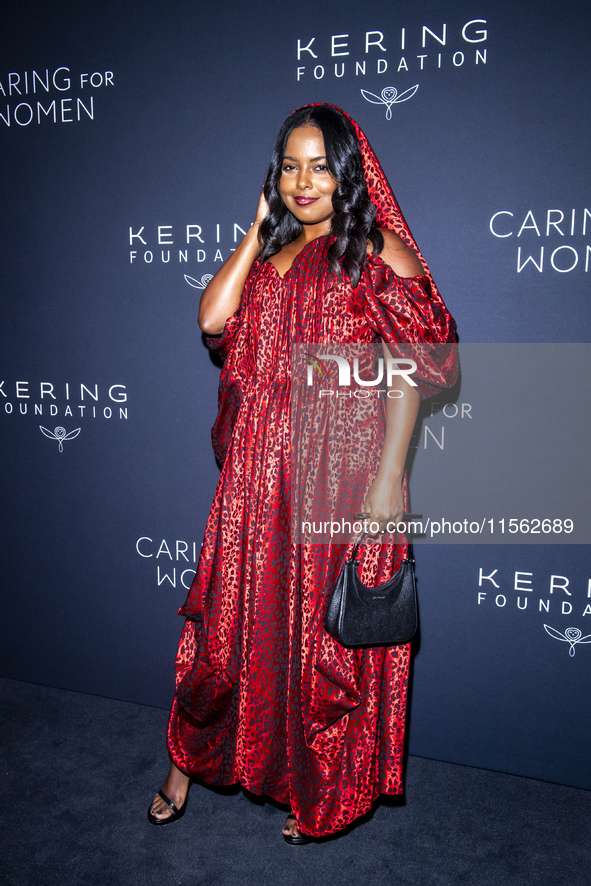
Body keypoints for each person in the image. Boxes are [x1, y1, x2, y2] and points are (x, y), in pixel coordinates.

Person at [148, 104, 457, 842]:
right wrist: (256, 228)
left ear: (346, 171)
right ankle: (183, 765)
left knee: (319, 644)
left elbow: (415, 370)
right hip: (256, 473)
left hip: (341, 471)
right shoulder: (268, 255)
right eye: (289, 165)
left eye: (319, 165)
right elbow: (211, 320)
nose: (302, 180)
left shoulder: (374, 249)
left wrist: (388, 480)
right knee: (230, 628)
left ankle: (313, 790)